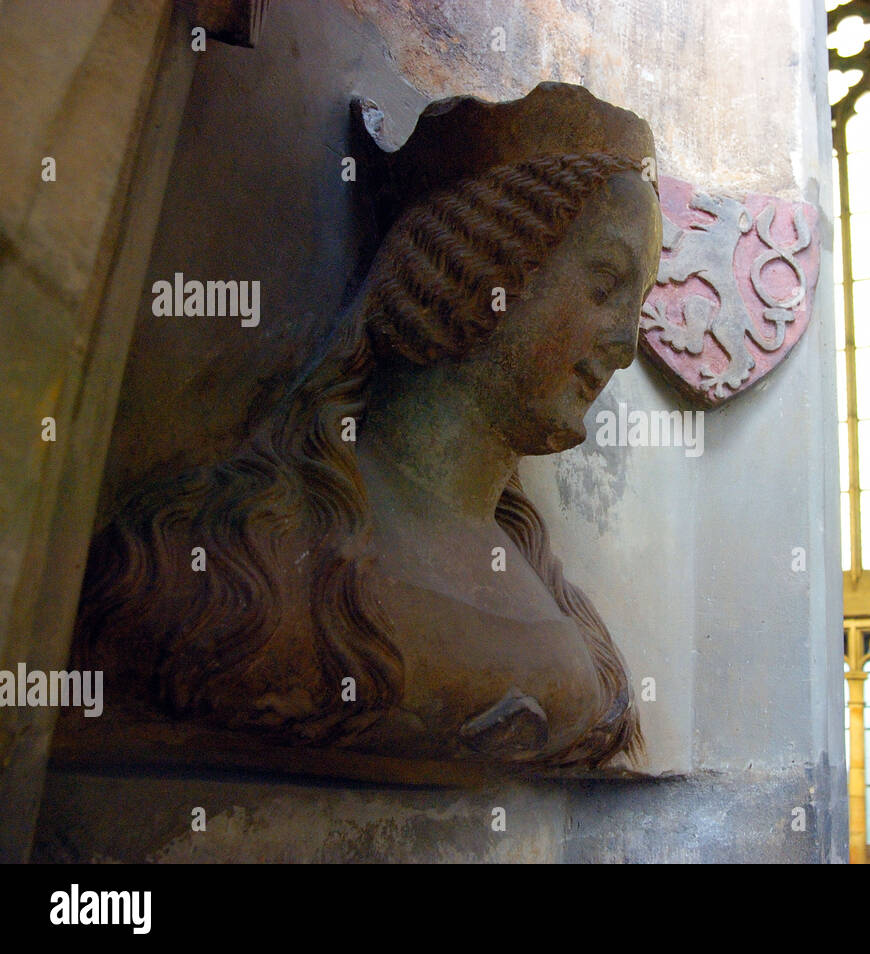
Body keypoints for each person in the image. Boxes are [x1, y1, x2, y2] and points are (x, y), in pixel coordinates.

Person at [73, 83, 661, 769]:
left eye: (640, 303)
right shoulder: (221, 572)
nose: (626, 343)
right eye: (603, 284)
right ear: (478, 265)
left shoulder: (575, 629)